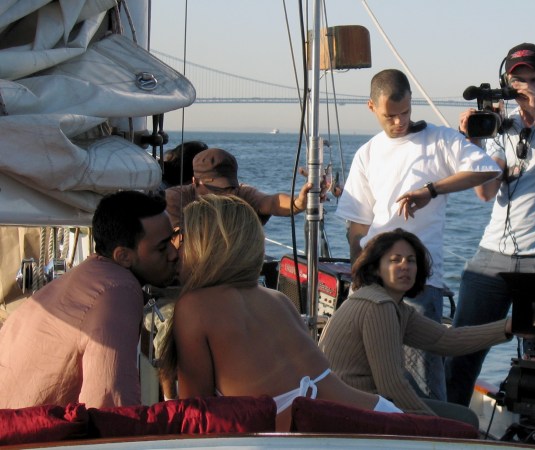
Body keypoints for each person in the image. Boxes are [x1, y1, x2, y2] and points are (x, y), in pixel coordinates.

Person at [159, 195, 401, 432]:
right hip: (378, 417)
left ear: (204, 244)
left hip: (336, 434)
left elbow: (195, 416)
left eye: (180, 238)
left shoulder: (194, 308)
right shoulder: (278, 299)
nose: (173, 251)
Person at [336, 69, 501, 401]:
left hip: (420, 280)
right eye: (390, 116)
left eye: (405, 113)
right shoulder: (368, 153)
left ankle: (431, 431)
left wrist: (432, 190)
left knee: (423, 378)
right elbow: (357, 226)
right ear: (371, 107)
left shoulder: (439, 139)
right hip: (375, 282)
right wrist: (358, 275)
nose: (399, 122)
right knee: (369, 375)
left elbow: (488, 168)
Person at [446, 42, 535, 406]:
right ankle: (450, 430)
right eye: (519, 81)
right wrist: (475, 141)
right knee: (461, 354)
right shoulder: (502, 121)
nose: (528, 87)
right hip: (491, 255)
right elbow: (486, 192)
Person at [318, 228, 514, 427]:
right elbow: (392, 385)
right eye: (395, 260)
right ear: (376, 268)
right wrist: (437, 427)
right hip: (351, 411)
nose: (405, 266)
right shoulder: (379, 306)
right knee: (464, 420)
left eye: (411, 260)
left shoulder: (395, 306)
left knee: (450, 411)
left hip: (356, 402)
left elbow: (446, 340)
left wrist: (507, 327)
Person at [0, 191, 179, 409]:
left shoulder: (86, 275)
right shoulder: (118, 291)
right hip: (28, 436)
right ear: (123, 256)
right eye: (162, 247)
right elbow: (111, 403)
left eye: (172, 241)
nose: (174, 254)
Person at [165, 147, 312, 228]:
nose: (223, 194)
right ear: (195, 182)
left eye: (227, 187)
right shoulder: (175, 198)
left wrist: (298, 203)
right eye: (215, 188)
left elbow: (272, 202)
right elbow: (179, 244)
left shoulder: (239, 192)